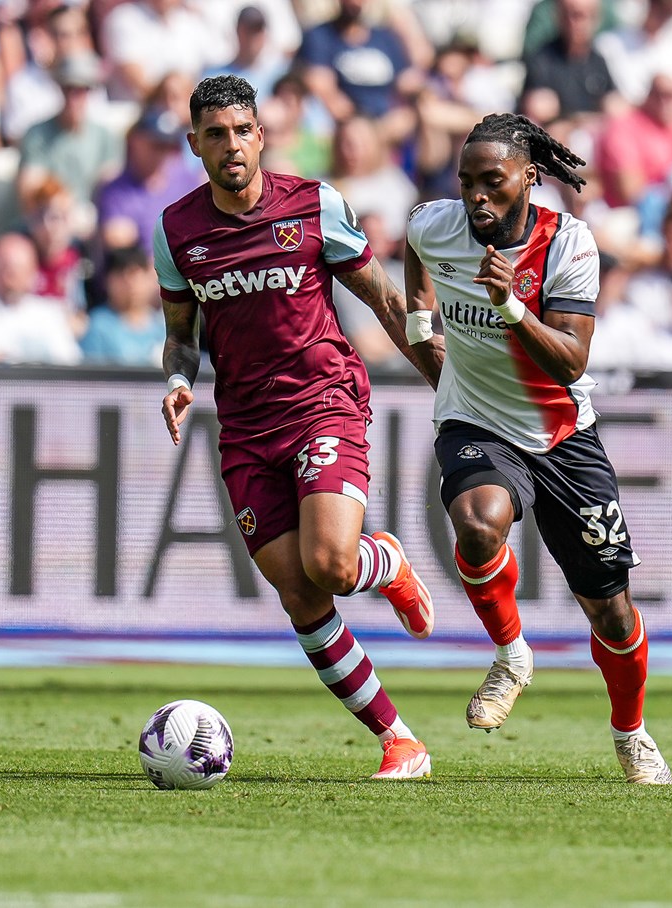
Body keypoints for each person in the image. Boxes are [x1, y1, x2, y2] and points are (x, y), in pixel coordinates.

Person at [153, 75, 437, 781]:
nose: (230, 146)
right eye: (214, 134)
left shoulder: (313, 206)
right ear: (195, 144)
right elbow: (181, 334)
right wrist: (180, 380)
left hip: (322, 401)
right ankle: (399, 739)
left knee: (335, 566)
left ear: (261, 135)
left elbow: (383, 300)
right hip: (246, 427)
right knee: (300, 592)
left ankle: (385, 563)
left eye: (241, 131)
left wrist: (446, 380)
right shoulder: (176, 232)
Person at [403, 112, 672, 785]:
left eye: (491, 182)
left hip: (562, 438)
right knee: (478, 523)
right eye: (466, 183)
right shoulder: (436, 226)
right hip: (476, 422)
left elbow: (572, 363)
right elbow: (415, 251)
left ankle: (630, 733)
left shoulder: (569, 245)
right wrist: (418, 326)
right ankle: (511, 654)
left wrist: (512, 309)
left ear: (529, 178)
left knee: (611, 612)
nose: (476, 198)